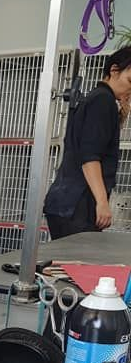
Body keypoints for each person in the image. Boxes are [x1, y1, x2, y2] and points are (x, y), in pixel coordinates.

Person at [44, 47, 131, 239]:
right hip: (77, 205)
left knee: (67, 264)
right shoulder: (103, 101)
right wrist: (102, 202)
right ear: (114, 70)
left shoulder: (95, 98)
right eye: (130, 81)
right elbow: (90, 156)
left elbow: (93, 143)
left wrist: (120, 117)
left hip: (66, 202)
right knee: (77, 265)